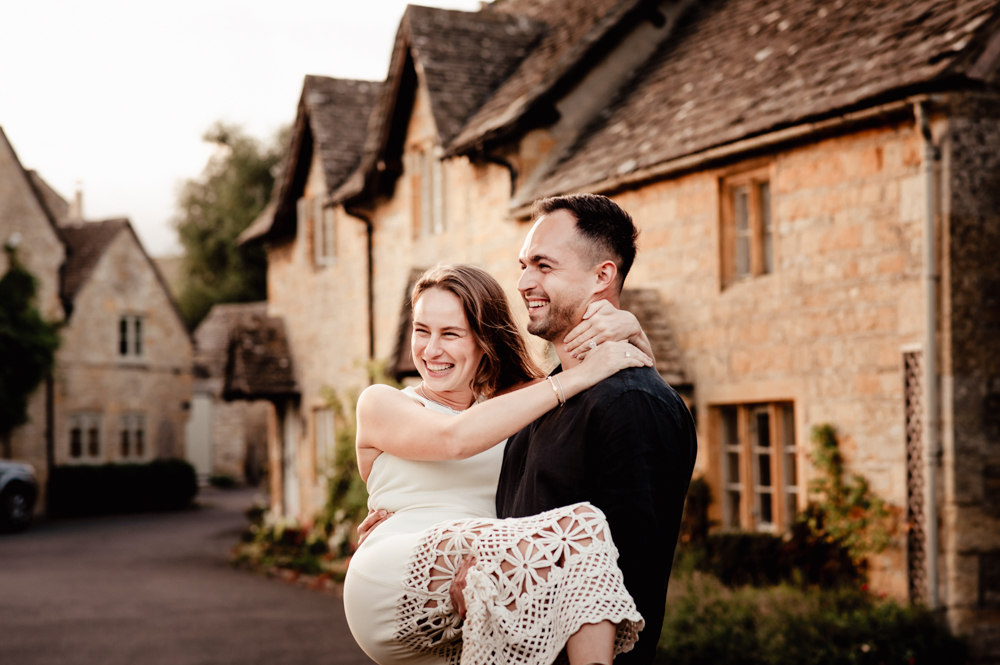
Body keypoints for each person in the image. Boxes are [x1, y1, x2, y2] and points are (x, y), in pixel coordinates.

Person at [344, 263, 652, 665]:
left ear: (483, 340)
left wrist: (634, 331)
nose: (431, 350)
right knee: (581, 529)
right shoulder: (382, 403)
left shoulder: (521, 408)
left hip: (484, 585)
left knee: (580, 542)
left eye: (450, 334)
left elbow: (630, 385)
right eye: (422, 331)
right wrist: (574, 378)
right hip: (393, 571)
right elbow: (453, 439)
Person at [492, 194, 698, 665]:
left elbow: (628, 584)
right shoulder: (541, 401)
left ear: (603, 276)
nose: (523, 283)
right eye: (523, 266)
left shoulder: (632, 403)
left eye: (544, 265)